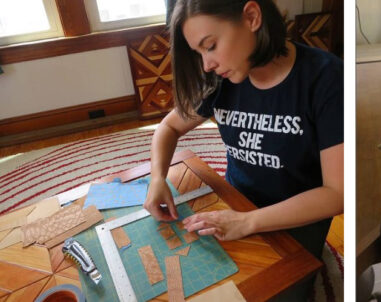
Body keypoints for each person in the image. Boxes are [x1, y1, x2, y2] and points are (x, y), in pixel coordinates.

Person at [143, 0, 343, 299]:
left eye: (210, 45)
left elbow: (337, 194)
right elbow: (168, 127)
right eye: (199, 53)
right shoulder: (220, 80)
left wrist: (247, 222)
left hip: (296, 220)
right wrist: (157, 178)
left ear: (251, 17)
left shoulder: (326, 79)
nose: (206, 64)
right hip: (235, 202)